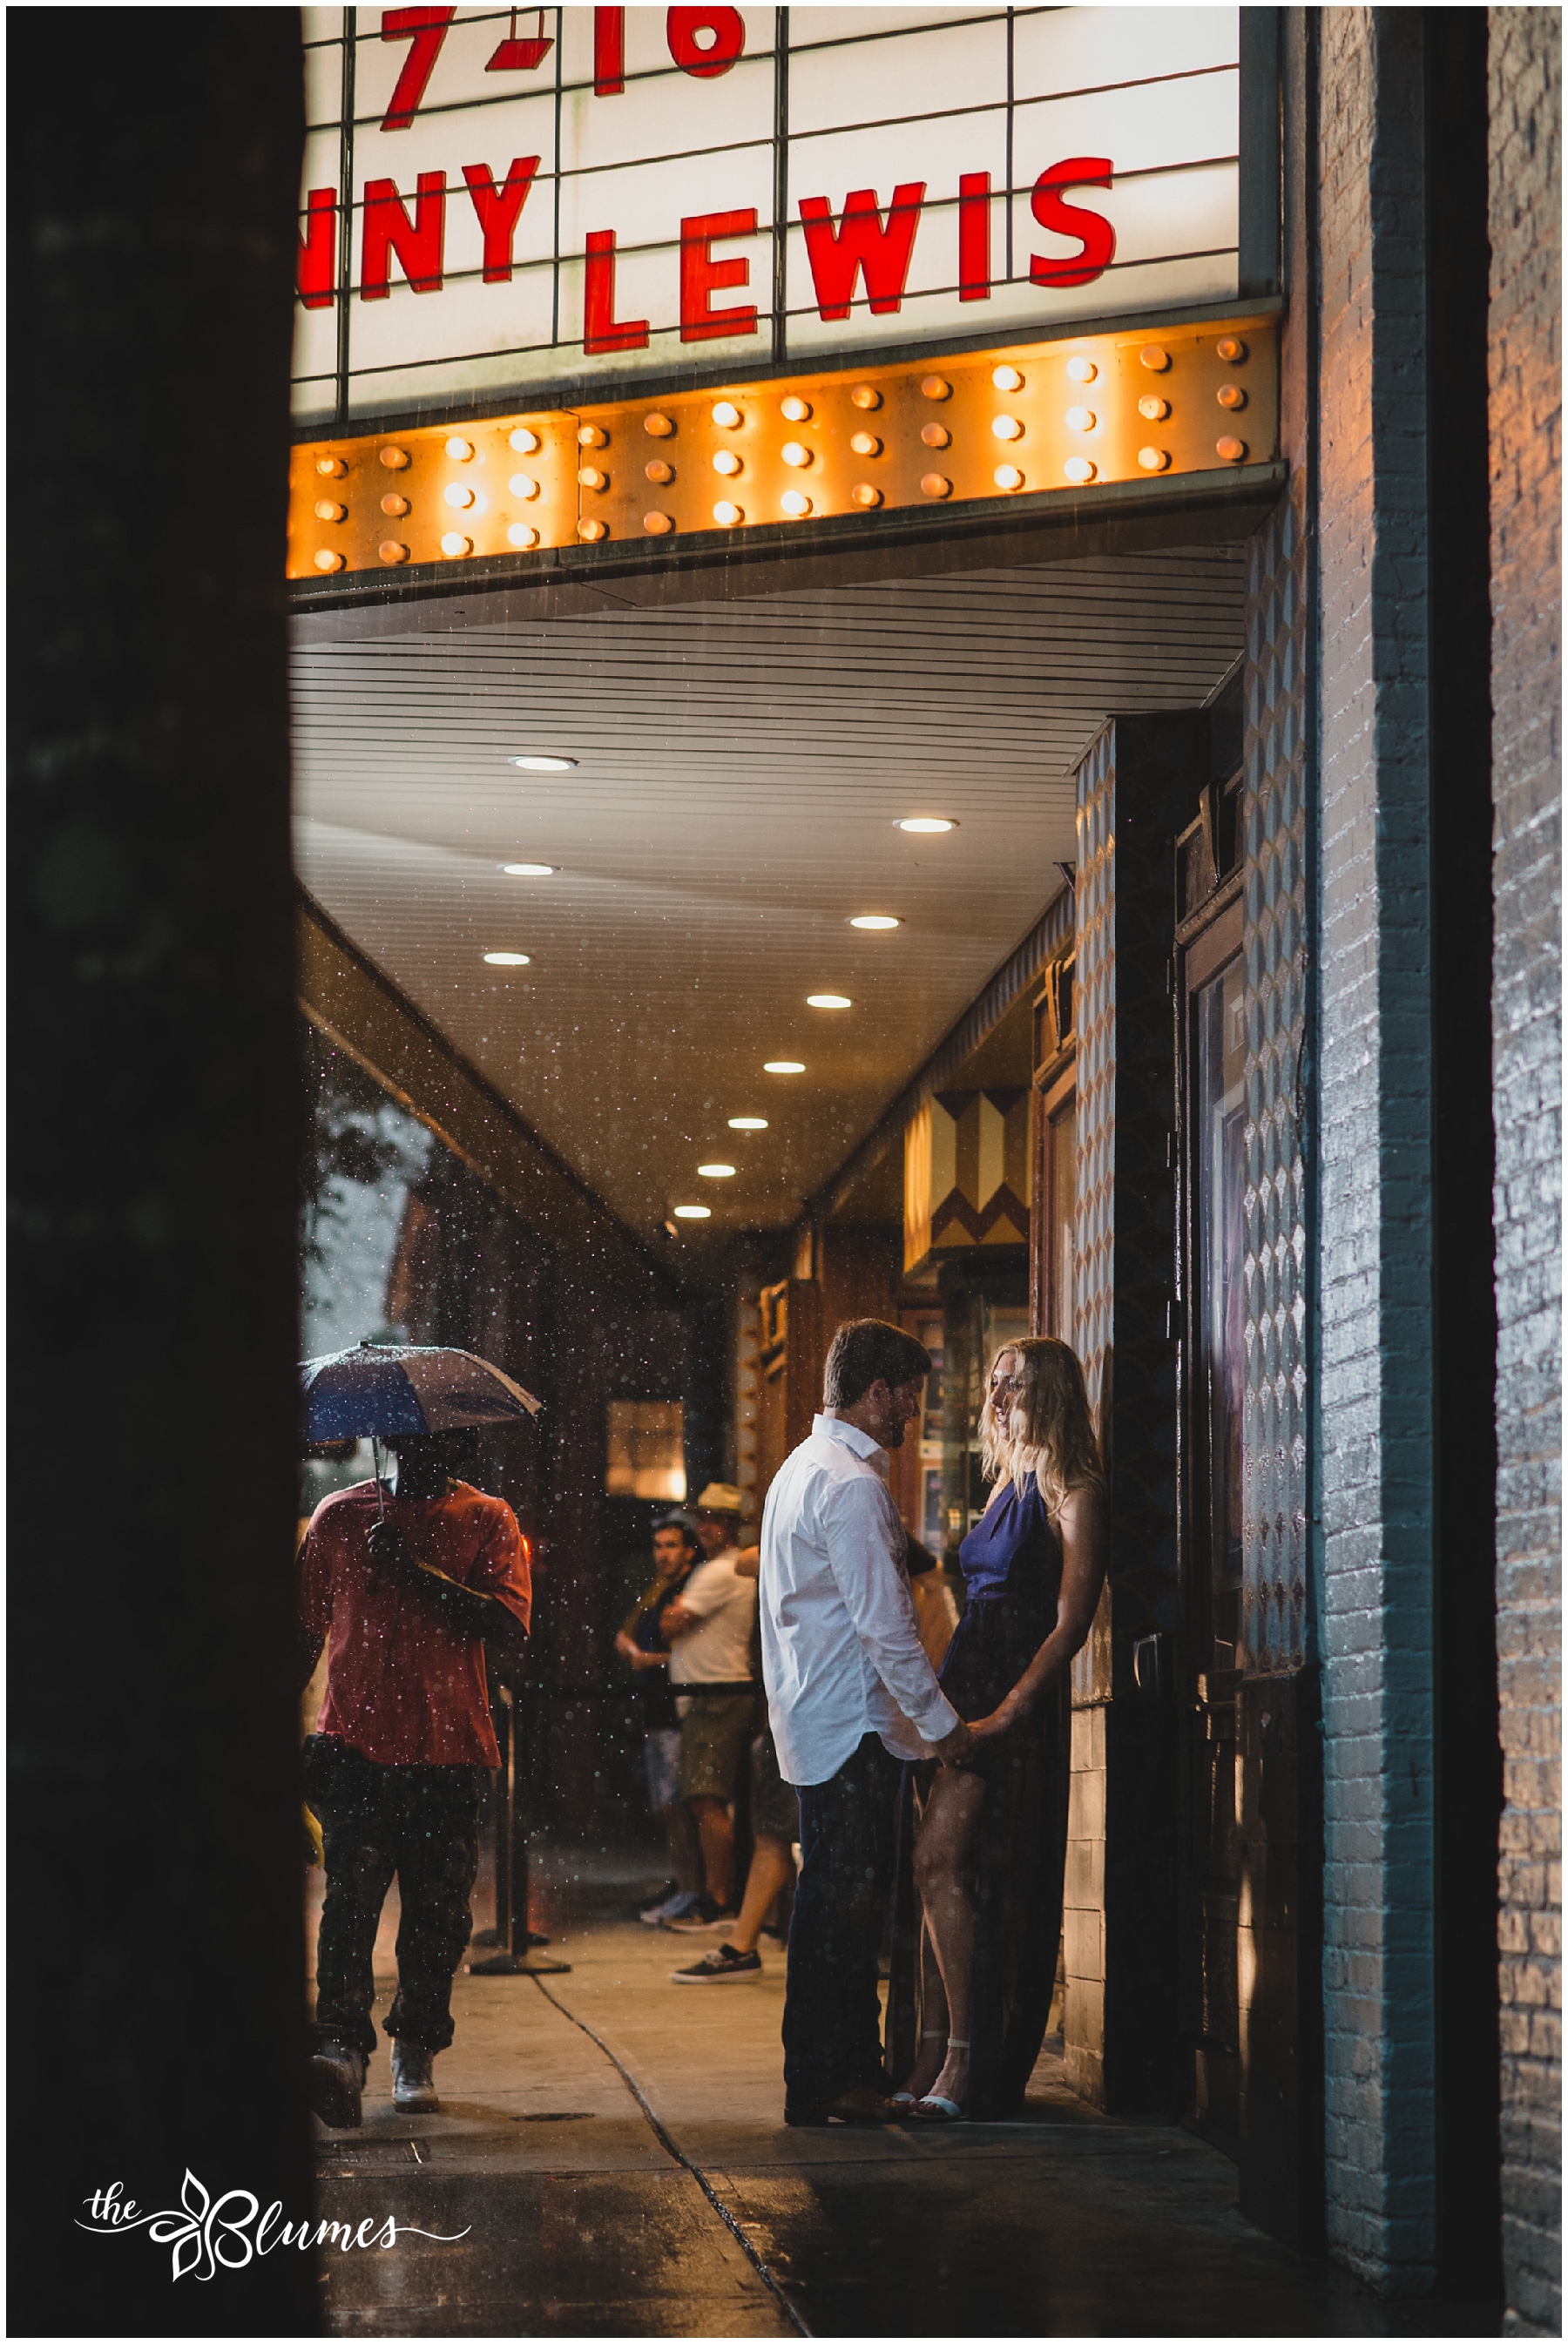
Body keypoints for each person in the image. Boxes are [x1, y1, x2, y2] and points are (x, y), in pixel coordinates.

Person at [759, 1320, 975, 2125]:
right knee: (843, 1908)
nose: (914, 1412)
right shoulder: (849, 1482)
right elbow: (886, 1625)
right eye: (910, 1394)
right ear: (876, 1390)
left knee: (833, 1902)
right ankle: (830, 2077)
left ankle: (834, 2072)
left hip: (819, 1719)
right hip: (853, 1725)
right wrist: (942, 1724)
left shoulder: (797, 1471)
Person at [896, 1336, 1107, 2124]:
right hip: (964, 1679)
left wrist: (1016, 1708)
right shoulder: (1005, 1483)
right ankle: (930, 2050)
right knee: (934, 1870)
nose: (996, 1394)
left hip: (1009, 1693)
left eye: (1012, 1383)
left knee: (940, 1858)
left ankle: (965, 2056)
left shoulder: (1073, 1489)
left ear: (1050, 1390)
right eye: (992, 1381)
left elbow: (1071, 1621)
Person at [299, 1426, 531, 2129]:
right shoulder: (339, 1516)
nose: (421, 1448)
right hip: (354, 1752)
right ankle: (339, 2050)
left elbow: (508, 1623)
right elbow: (305, 1631)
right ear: (384, 1437)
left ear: (462, 1447)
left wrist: (414, 1570)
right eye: (406, 1435)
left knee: (438, 1918)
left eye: (441, 1439)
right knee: (348, 1910)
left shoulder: (489, 1517)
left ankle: (416, 2046)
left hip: (448, 1753)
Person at [670, 1543, 799, 1982]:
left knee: (735, 1811)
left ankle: (720, 1904)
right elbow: (750, 1560)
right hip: (790, 1698)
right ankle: (741, 1939)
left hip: (818, 1699)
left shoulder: (853, 1497)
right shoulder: (808, 1505)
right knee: (774, 1830)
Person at [659, 1482, 757, 1930]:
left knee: (706, 1799)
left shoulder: (720, 1571)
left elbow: (672, 1622)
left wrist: (676, 1612)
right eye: (704, 1518)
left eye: (717, 1519)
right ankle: (715, 1896)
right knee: (704, 1798)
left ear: (733, 1525)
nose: (707, 1526)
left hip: (717, 1691)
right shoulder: (716, 1567)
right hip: (711, 1691)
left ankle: (718, 1901)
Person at [614, 1514, 705, 1925]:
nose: (663, 1554)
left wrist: (646, 1657)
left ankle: (694, 1889)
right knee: (667, 1806)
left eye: (671, 1545)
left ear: (688, 1551)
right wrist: (635, 1653)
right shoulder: (658, 1589)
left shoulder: (692, 1587)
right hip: (655, 1704)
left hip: (677, 1706)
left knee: (680, 1804)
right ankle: (684, 1882)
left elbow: (690, 1651)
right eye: (658, 1546)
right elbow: (630, 1634)